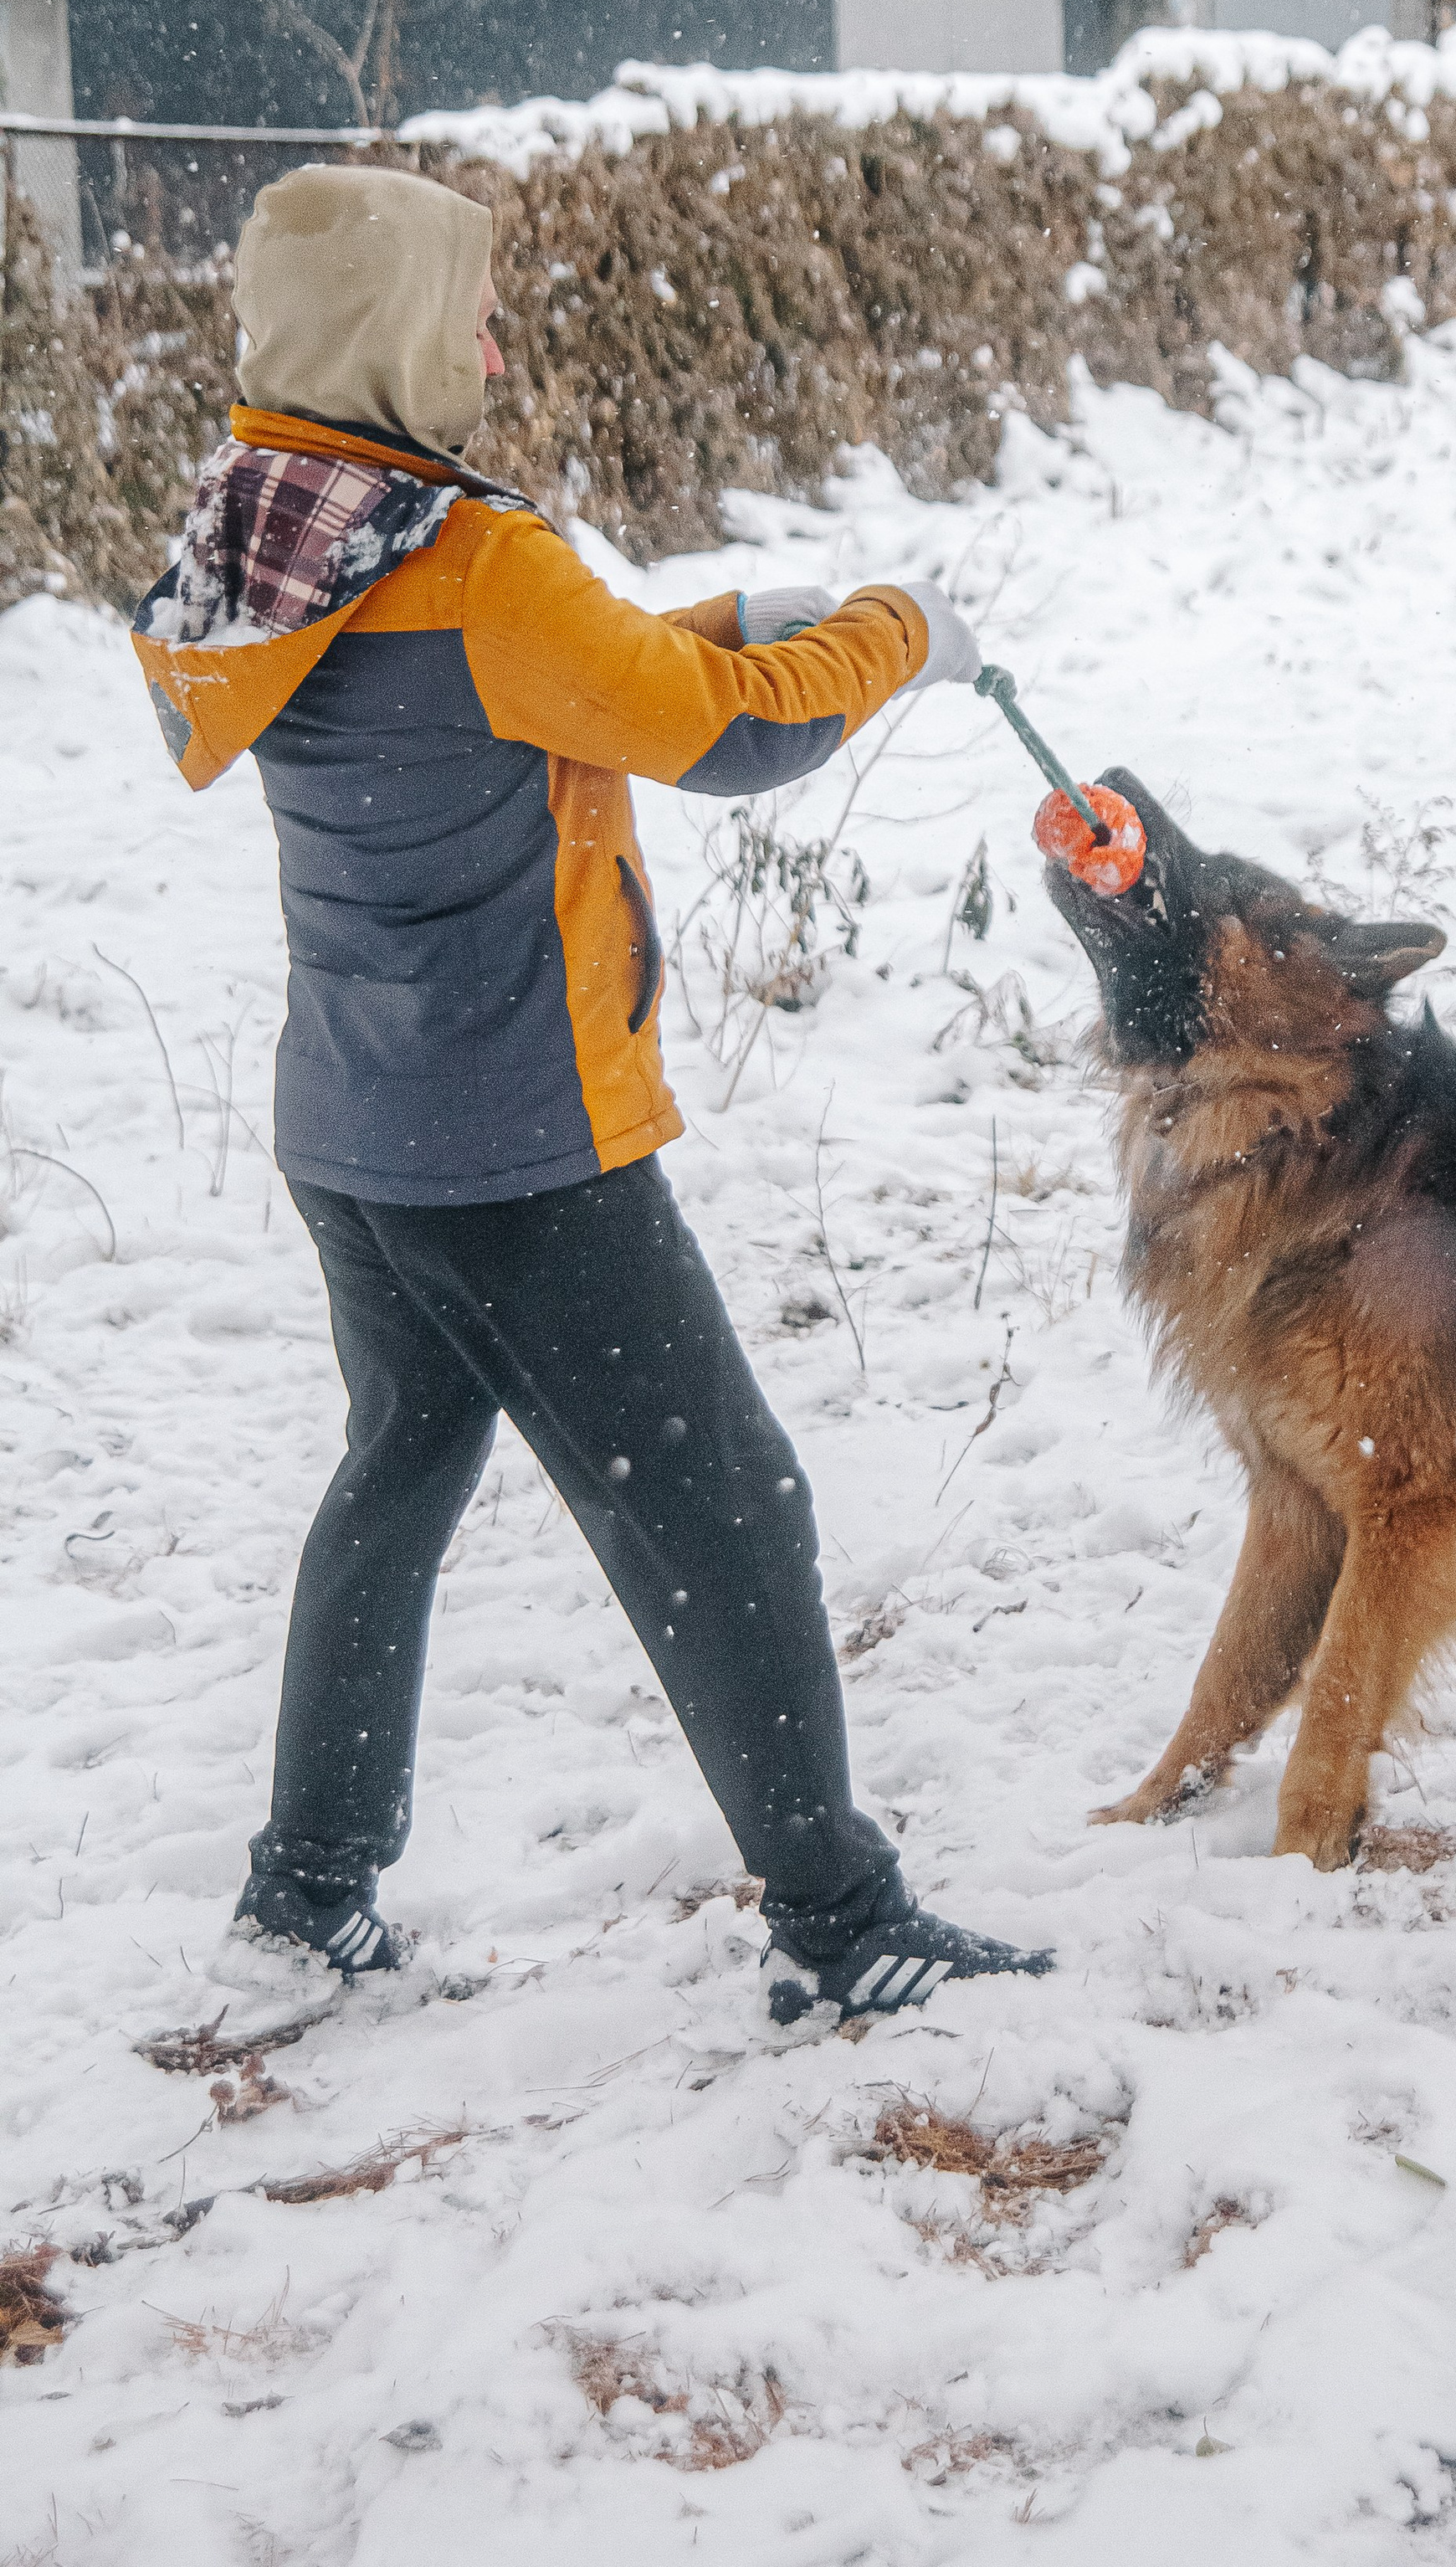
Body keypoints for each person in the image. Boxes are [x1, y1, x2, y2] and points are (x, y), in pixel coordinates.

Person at [131, 164, 1051, 2026]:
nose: (489, 344)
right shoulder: (470, 560)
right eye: (466, 312)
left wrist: (726, 604)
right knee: (724, 1505)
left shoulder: (268, 536)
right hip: (518, 1152)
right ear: (396, 336)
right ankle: (840, 1918)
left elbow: (572, 682)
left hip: (355, 1133)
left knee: (394, 1473)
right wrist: (890, 635)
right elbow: (721, 738)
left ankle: (306, 1898)